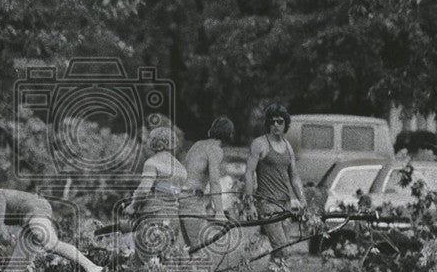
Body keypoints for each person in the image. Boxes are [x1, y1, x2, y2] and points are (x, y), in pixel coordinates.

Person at [244, 103, 305, 259]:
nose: (276, 125)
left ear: (285, 124)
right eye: (272, 122)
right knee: (282, 249)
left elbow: (294, 176)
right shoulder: (260, 144)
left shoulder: (287, 146)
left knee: (280, 252)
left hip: (285, 204)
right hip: (267, 204)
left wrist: (302, 200)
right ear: (268, 124)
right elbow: (249, 173)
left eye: (279, 122)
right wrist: (249, 203)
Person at [123, 126, 187, 262]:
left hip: (153, 216)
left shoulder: (152, 163)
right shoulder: (181, 168)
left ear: (153, 142)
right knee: (164, 261)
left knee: (143, 261)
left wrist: (132, 207)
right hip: (173, 219)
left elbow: (144, 190)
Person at [179, 116, 234, 257]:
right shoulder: (215, 150)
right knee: (196, 249)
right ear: (229, 134)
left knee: (189, 248)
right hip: (192, 199)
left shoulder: (198, 144)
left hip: (179, 197)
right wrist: (220, 212)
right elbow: (214, 182)